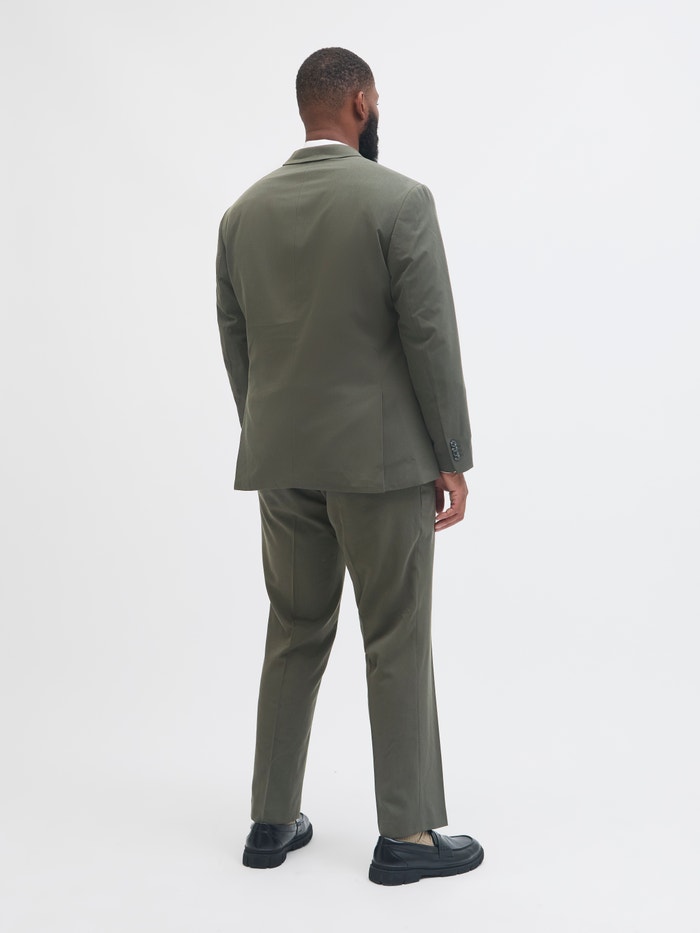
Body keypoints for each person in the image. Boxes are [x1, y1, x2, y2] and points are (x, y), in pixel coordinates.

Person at [216, 47, 484, 886]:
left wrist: (270, 432)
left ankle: (269, 821)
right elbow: (429, 335)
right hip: (380, 463)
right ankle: (406, 835)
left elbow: (237, 340)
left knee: (293, 630)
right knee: (395, 636)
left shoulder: (241, 214)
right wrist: (451, 455)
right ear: (362, 102)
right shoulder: (399, 200)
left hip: (282, 458)